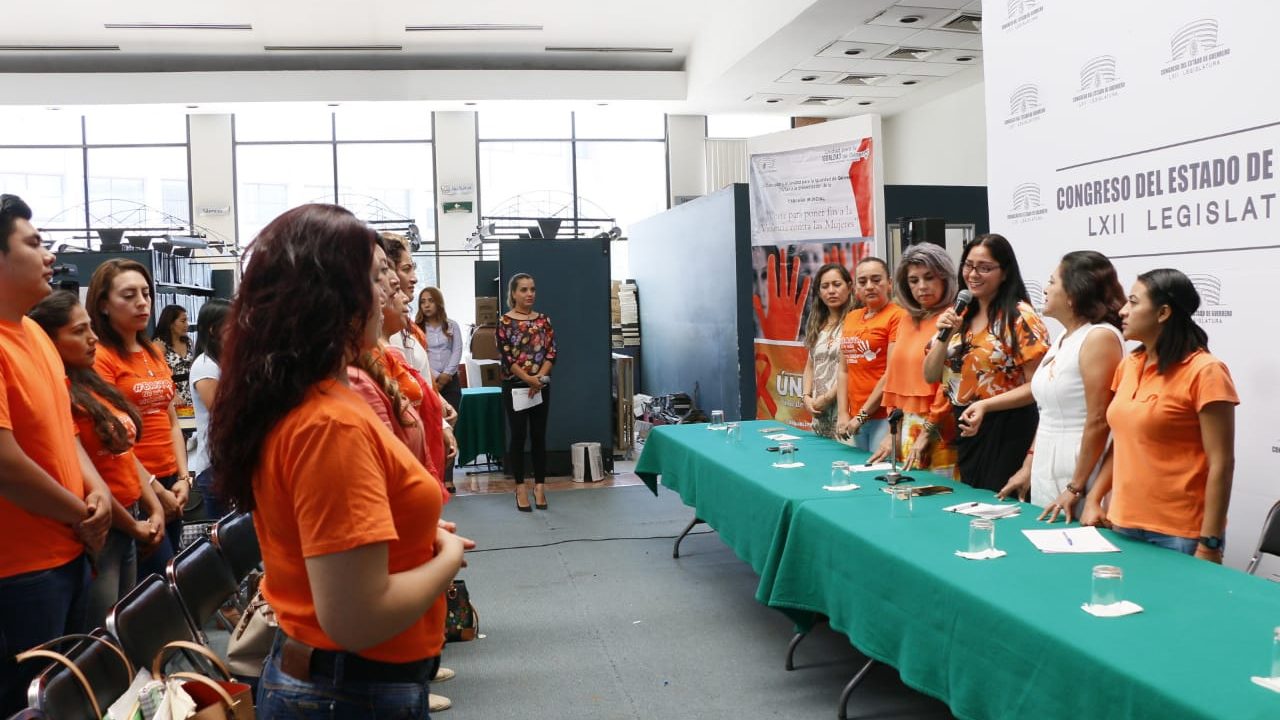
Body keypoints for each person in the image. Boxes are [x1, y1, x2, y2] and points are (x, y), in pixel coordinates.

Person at [209, 204, 470, 717]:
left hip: (341, 683)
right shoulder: (329, 424)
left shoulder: (319, 394)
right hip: (348, 691)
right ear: (333, 298)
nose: (390, 290)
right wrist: (446, 557)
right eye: (376, 277)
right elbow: (357, 618)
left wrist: (419, 535)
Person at [0, 194, 111, 715]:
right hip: (20, 572)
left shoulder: (35, 337)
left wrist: (98, 492)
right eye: (34, 243)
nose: (50, 256)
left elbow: (65, 433)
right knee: (27, 702)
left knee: (67, 695)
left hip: (69, 553)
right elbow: (6, 465)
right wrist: (81, 514)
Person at [1081, 269, 1238, 562]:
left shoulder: (1206, 371)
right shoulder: (1129, 365)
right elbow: (1123, 441)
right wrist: (1094, 498)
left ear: (1163, 312)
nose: (1122, 311)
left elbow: (1222, 464)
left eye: (1133, 302)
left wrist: (1210, 541)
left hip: (1180, 534)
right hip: (1122, 522)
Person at [30, 291, 167, 626]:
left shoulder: (94, 384)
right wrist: (133, 526)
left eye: (90, 327)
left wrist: (153, 508)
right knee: (103, 635)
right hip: (104, 526)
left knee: (125, 627)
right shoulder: (59, 393)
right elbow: (87, 473)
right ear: (49, 341)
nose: (93, 338)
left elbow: (124, 455)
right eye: (79, 331)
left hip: (130, 518)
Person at [996, 252, 1125, 520]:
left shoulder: (1099, 337)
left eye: (1052, 282)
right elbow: (1048, 411)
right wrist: (1028, 465)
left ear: (1073, 294)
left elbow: (1099, 419)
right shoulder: (1066, 336)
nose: (1045, 289)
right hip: (1047, 462)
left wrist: (1076, 486)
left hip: (1080, 467)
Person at [925, 234, 1049, 491]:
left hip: (1008, 426)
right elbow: (930, 374)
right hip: (966, 425)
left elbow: (1038, 386)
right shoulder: (960, 312)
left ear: (1005, 273)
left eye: (984, 268)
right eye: (969, 265)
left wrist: (985, 405)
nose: (973, 274)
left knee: (997, 504)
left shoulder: (1019, 317)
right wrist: (944, 338)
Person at [88, 259, 189, 574]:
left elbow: (171, 421)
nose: (142, 302)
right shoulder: (100, 357)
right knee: (158, 584)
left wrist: (184, 478)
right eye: (129, 295)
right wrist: (156, 491)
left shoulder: (153, 352)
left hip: (172, 480)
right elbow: (114, 437)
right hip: (138, 488)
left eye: (146, 293)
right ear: (103, 305)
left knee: (172, 575)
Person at [868, 243, 960, 477]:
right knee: (906, 491)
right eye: (913, 280)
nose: (922, 286)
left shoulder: (955, 317)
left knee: (938, 493)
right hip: (908, 426)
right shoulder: (906, 319)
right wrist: (894, 431)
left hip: (941, 428)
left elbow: (949, 384)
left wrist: (927, 432)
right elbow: (896, 381)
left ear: (945, 278)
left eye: (929, 277)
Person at [497, 272, 556, 511]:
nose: (529, 293)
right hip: (515, 386)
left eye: (532, 289)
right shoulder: (504, 322)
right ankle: (520, 486)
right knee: (519, 435)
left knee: (539, 436)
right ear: (513, 294)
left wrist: (538, 378)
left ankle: (540, 486)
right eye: (523, 289)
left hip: (540, 385)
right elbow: (507, 358)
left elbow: (551, 352)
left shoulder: (544, 321)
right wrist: (528, 379)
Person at [835, 257, 904, 451]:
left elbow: (891, 373)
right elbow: (843, 370)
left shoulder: (898, 316)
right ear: (855, 287)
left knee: (877, 467)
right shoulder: (851, 317)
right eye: (863, 281)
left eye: (876, 280)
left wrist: (862, 416)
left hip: (883, 415)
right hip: (854, 417)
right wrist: (843, 413)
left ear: (889, 283)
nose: (869, 286)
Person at [189, 299, 232, 518]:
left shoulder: (225, 361)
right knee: (223, 531)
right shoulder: (205, 365)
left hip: (229, 462)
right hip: (214, 465)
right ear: (214, 330)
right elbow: (223, 412)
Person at [800, 263, 854, 438]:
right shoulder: (817, 322)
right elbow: (810, 365)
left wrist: (828, 397)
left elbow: (854, 369)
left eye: (837, 284)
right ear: (819, 292)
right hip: (819, 413)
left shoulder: (857, 321)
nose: (831, 291)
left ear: (849, 287)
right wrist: (806, 397)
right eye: (825, 286)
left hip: (846, 413)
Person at [417, 287, 463, 413]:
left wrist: (447, 374)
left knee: (452, 416)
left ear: (439, 302)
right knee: (432, 419)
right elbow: (418, 355)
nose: (426, 305)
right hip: (427, 378)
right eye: (422, 302)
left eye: (431, 301)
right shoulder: (417, 328)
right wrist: (436, 376)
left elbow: (457, 350)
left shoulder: (452, 325)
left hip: (451, 379)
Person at [152, 304, 194, 416]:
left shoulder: (188, 342)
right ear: (170, 323)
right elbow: (157, 375)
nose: (187, 324)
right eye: (183, 321)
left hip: (191, 392)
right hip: (173, 395)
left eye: (187, 321)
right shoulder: (159, 345)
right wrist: (174, 395)